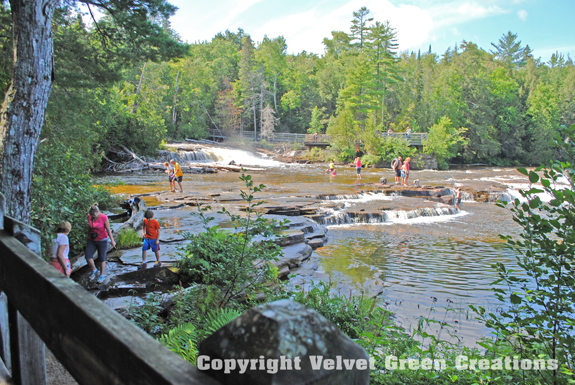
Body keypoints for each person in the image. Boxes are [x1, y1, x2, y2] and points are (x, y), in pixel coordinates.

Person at [86, 204, 116, 284]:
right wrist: (88, 236)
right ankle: (94, 270)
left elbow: (108, 229)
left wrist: (112, 241)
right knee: (88, 257)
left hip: (102, 240)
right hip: (91, 240)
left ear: (98, 212)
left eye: (94, 215)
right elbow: (90, 227)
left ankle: (102, 275)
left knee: (102, 258)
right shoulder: (89, 216)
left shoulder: (104, 217)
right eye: (92, 216)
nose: (93, 217)